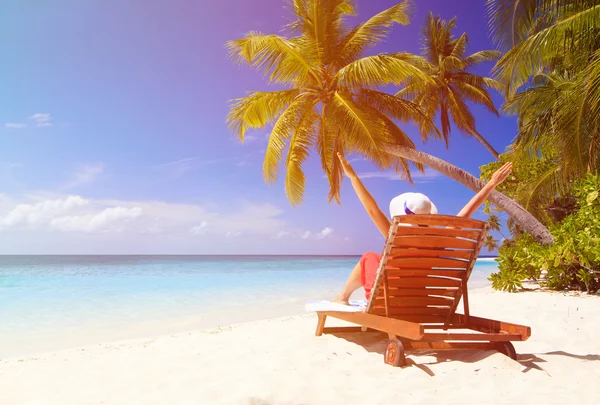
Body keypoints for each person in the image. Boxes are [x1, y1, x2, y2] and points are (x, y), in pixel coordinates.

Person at [332, 153, 513, 305]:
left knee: (369, 257)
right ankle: (342, 297)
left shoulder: (397, 235)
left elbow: (372, 210)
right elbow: (464, 215)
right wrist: (491, 185)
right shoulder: (438, 240)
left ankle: (342, 297)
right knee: (375, 259)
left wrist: (353, 177)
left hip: (386, 301)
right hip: (418, 301)